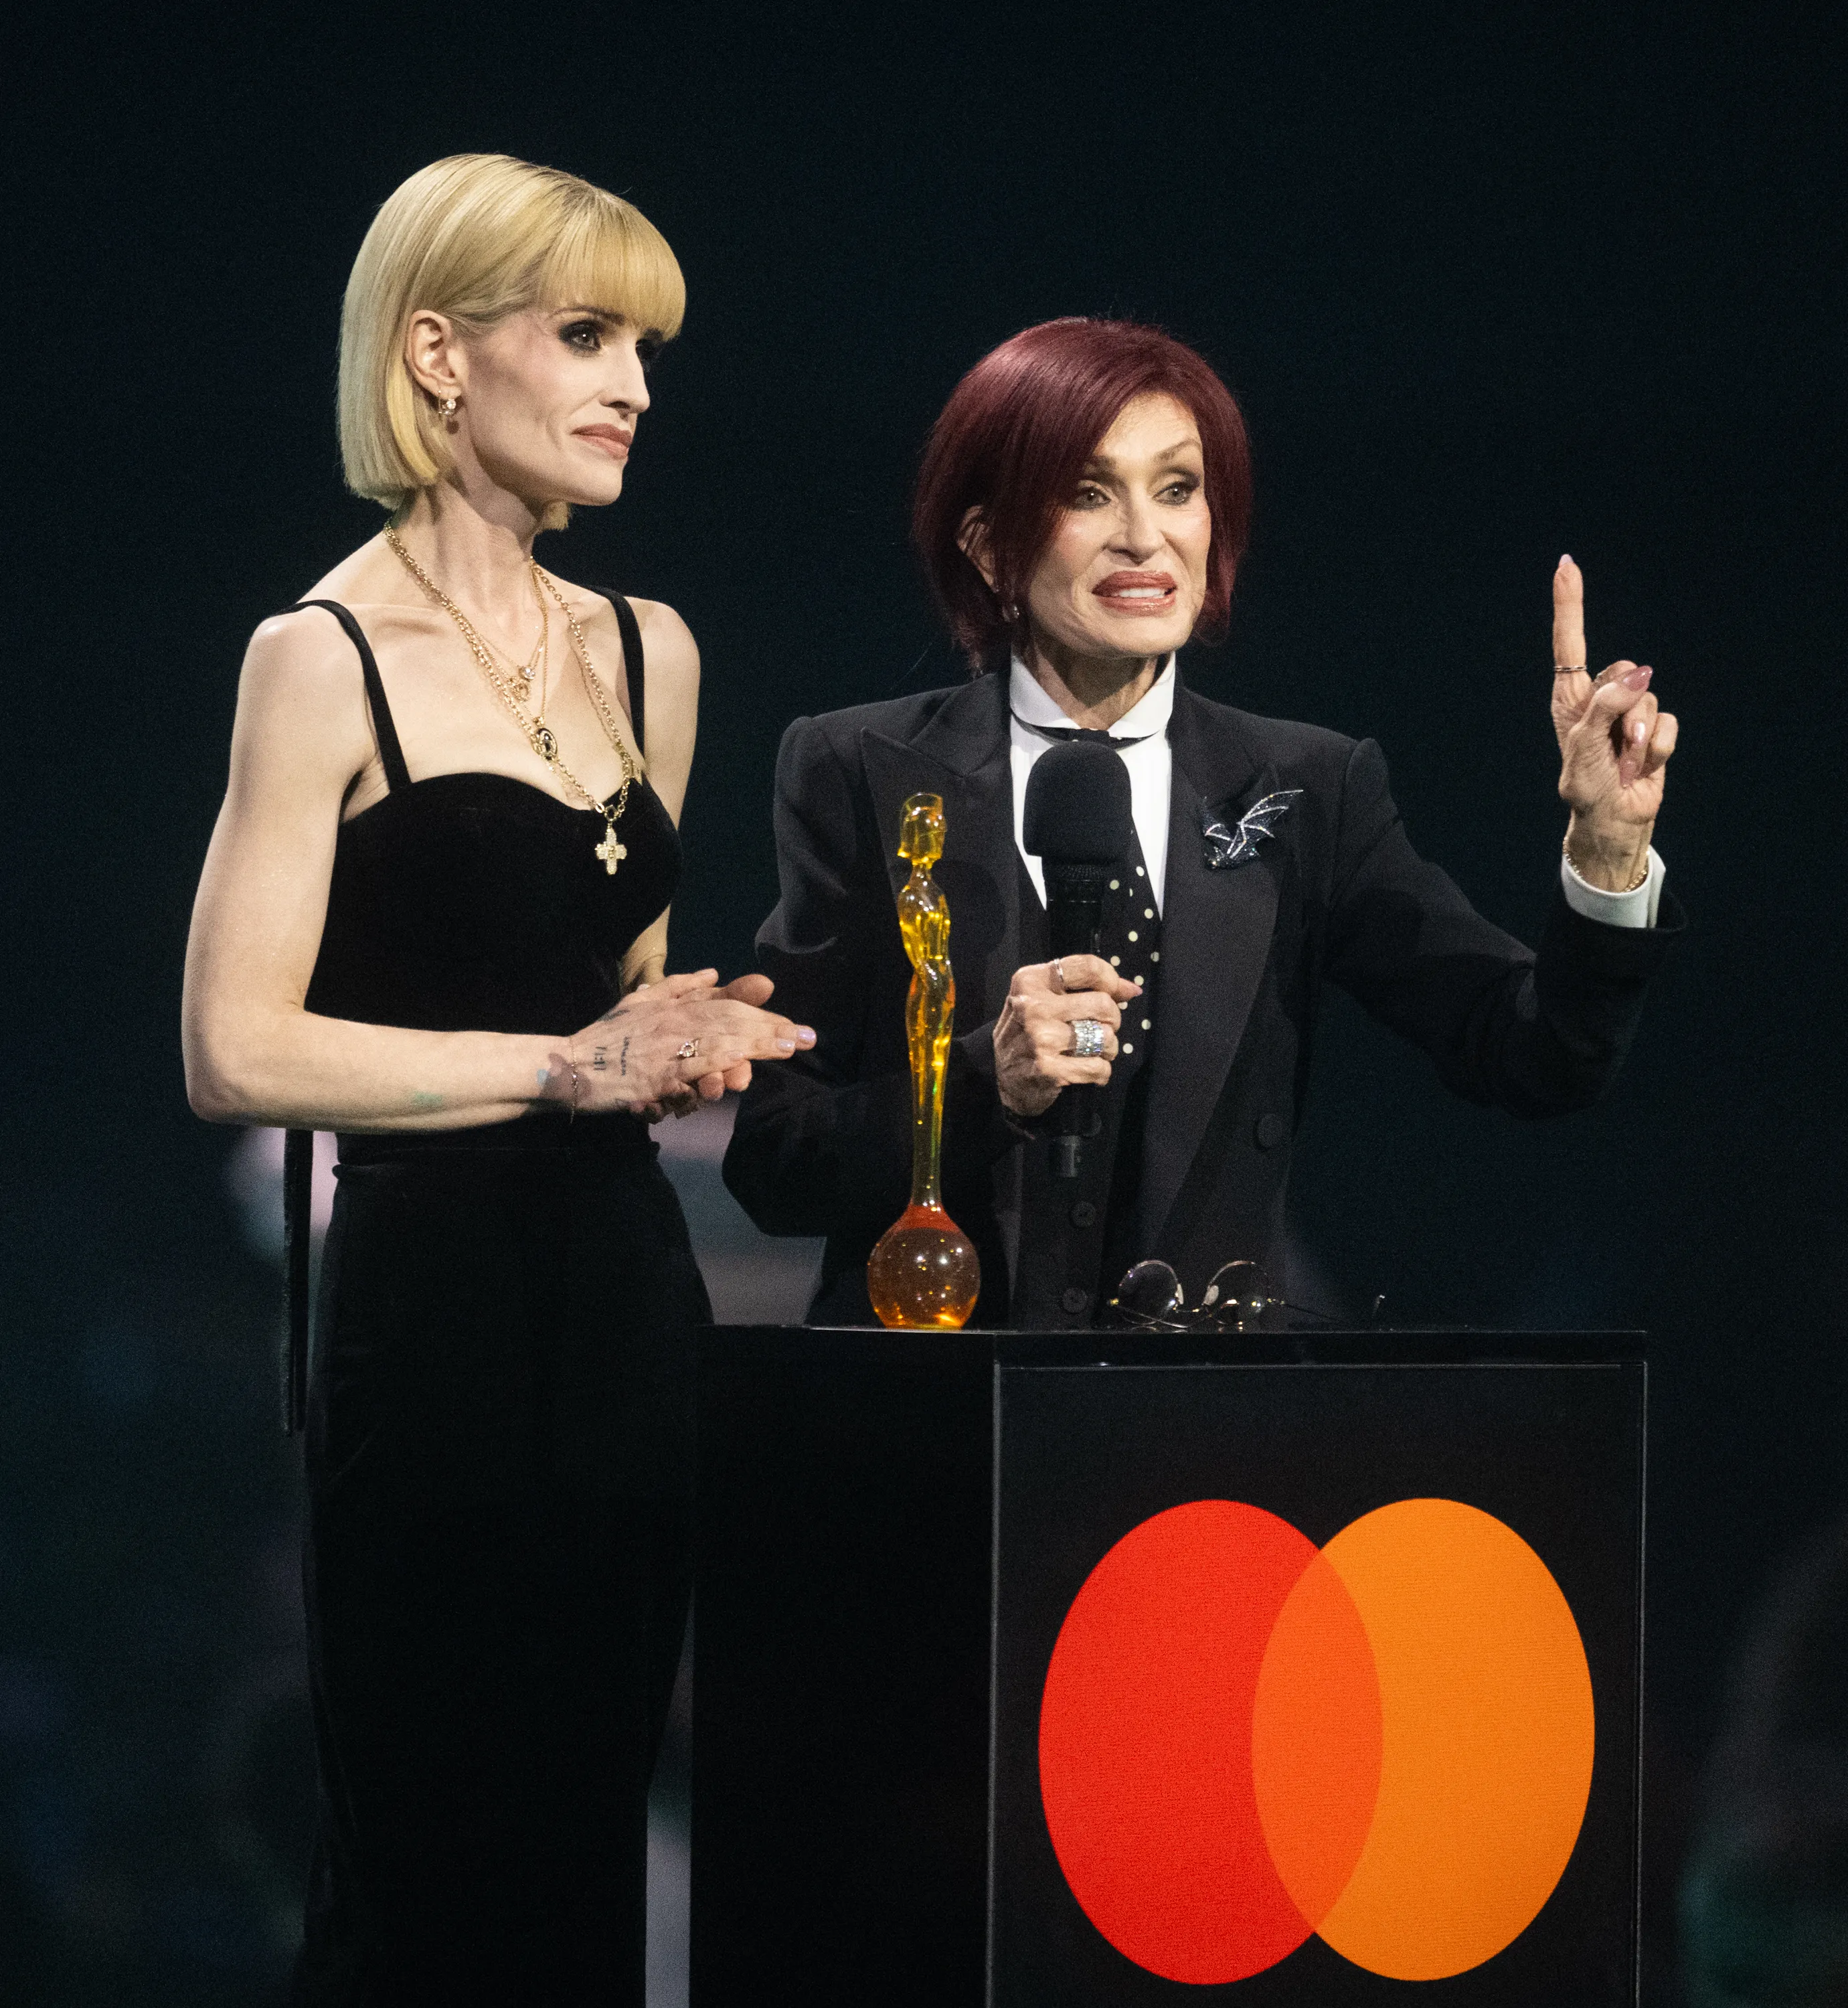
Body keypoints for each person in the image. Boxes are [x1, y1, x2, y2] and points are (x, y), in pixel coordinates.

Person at [181, 154, 813, 2005]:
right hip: (424, 1322)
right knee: (427, 1859)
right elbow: (233, 1048)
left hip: (623, 1311)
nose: (637, 386)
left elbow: (623, 1023)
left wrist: (697, 1032)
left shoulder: (651, 655)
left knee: (587, 1852)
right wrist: (565, 1067)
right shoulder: (318, 660)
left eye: (648, 349)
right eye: (592, 336)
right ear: (440, 357)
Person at [723, 317, 1681, 1328]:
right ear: (990, 545)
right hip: (933, 1422)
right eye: (1088, 493)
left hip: (1194, 1432)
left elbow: (1534, 1054)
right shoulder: (856, 768)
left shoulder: (1312, 786)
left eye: (1178, 488)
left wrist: (1607, 859)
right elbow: (776, 1160)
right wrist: (981, 1081)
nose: (1146, 535)